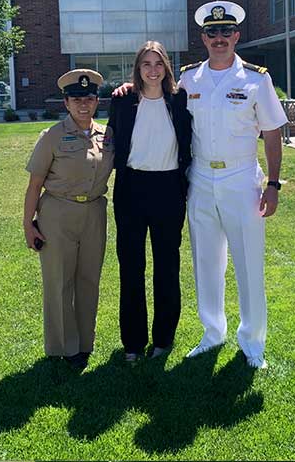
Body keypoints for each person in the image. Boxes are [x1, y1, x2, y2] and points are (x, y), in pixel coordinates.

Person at [113, 0, 288, 369]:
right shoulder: (190, 79)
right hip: (200, 180)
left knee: (248, 262)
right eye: (212, 33)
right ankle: (213, 333)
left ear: (236, 35)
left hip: (241, 178)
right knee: (206, 262)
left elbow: (272, 133)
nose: (219, 38)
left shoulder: (257, 79)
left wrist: (273, 184)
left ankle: (252, 340)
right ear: (204, 38)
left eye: (225, 31)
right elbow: (153, 100)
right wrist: (126, 89)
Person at [23, 69, 114, 370]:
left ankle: (85, 343)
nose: (83, 104)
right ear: (66, 103)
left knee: (89, 280)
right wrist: (28, 224)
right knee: (59, 281)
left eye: (88, 98)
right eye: (76, 99)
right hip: (57, 214)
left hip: (94, 213)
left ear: (96, 101)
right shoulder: (52, 137)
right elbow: (35, 184)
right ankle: (64, 346)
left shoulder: (107, 136)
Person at [108, 41, 192, 362]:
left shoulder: (179, 100)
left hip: (169, 189)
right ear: (137, 68)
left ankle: (163, 340)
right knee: (131, 268)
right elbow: (112, 143)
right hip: (131, 189)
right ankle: (132, 344)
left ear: (167, 67)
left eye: (158, 64)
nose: (153, 70)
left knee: (167, 268)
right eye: (146, 64)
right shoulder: (123, 101)